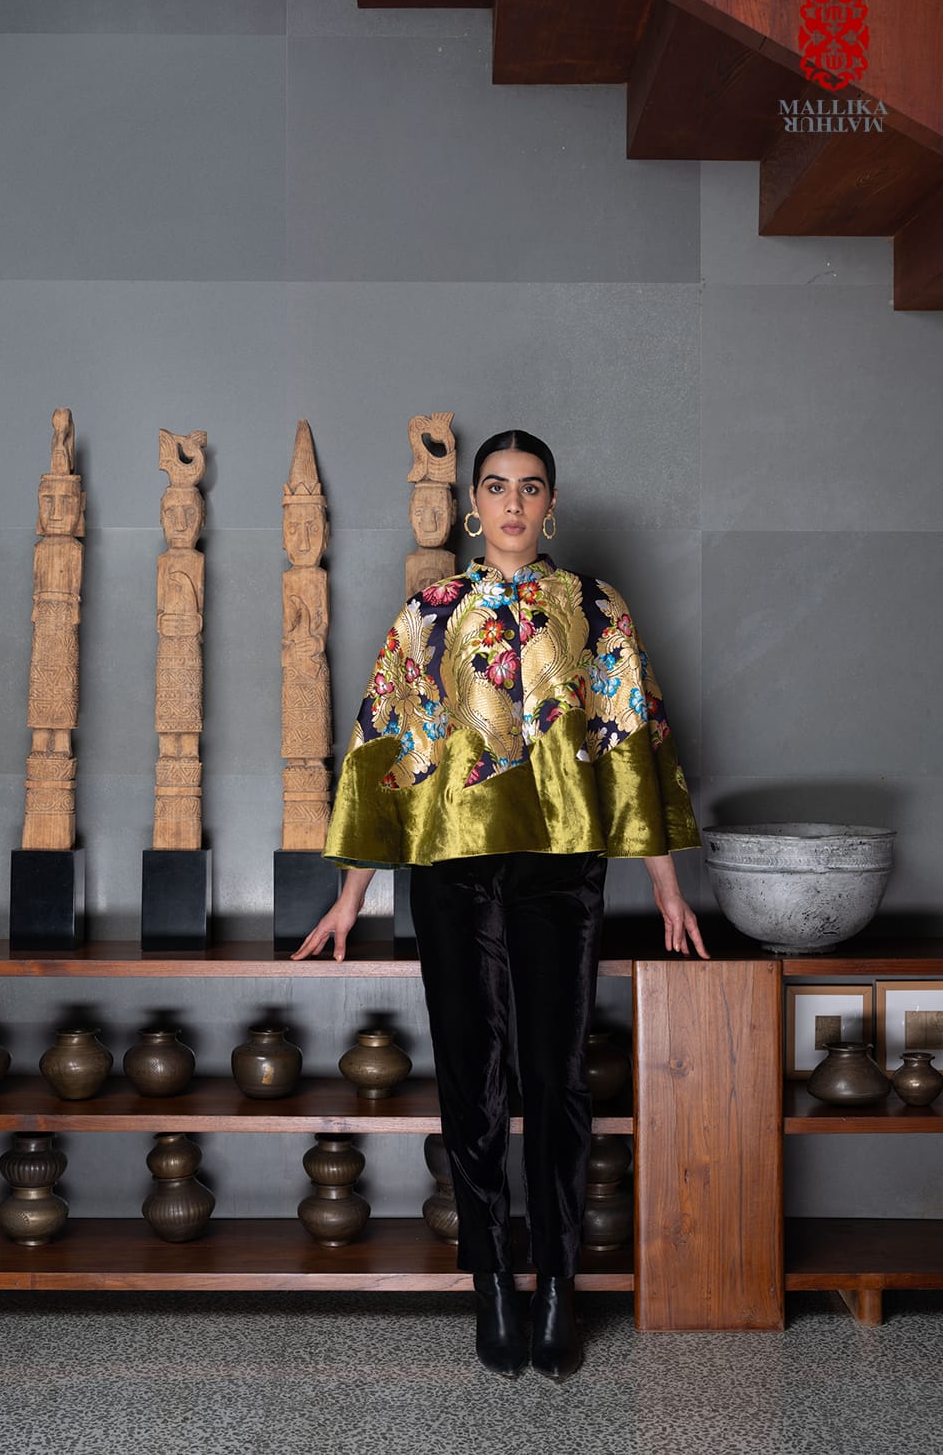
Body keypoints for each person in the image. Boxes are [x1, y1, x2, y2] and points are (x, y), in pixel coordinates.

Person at [294, 429, 708, 1382]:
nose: (513, 504)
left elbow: (630, 743)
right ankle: (491, 1283)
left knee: (557, 1078)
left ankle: (557, 1285)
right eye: (495, 486)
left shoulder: (597, 608)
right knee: (469, 1078)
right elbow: (386, 746)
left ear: (550, 505)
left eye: (530, 487)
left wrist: (665, 882)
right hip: (451, 868)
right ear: (473, 505)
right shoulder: (430, 612)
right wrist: (352, 894)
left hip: (560, 866)